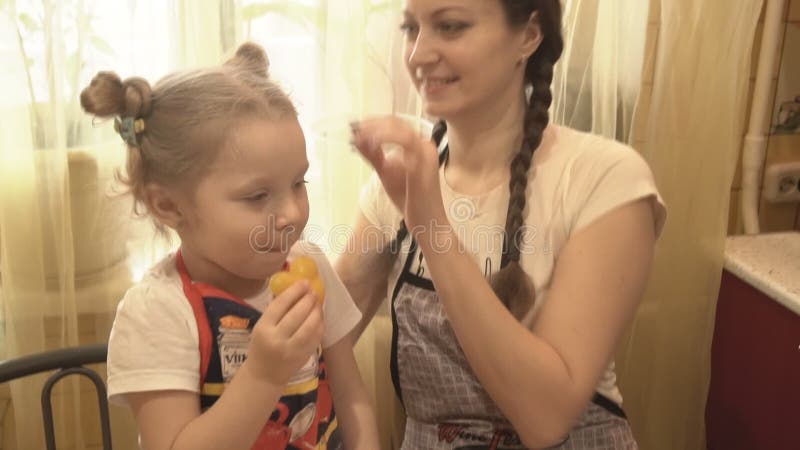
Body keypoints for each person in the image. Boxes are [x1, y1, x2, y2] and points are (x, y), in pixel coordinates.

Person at [336, 1, 667, 449]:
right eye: (411, 29)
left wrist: (431, 229)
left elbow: (545, 418)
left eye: (450, 27)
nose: (417, 54)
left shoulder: (605, 178)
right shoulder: (394, 184)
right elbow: (323, 341)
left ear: (529, 36)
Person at [81, 43, 379, 450]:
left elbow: (352, 397)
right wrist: (263, 375)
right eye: (258, 197)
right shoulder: (158, 313)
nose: (292, 212)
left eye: (298, 184)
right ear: (168, 205)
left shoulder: (310, 266)